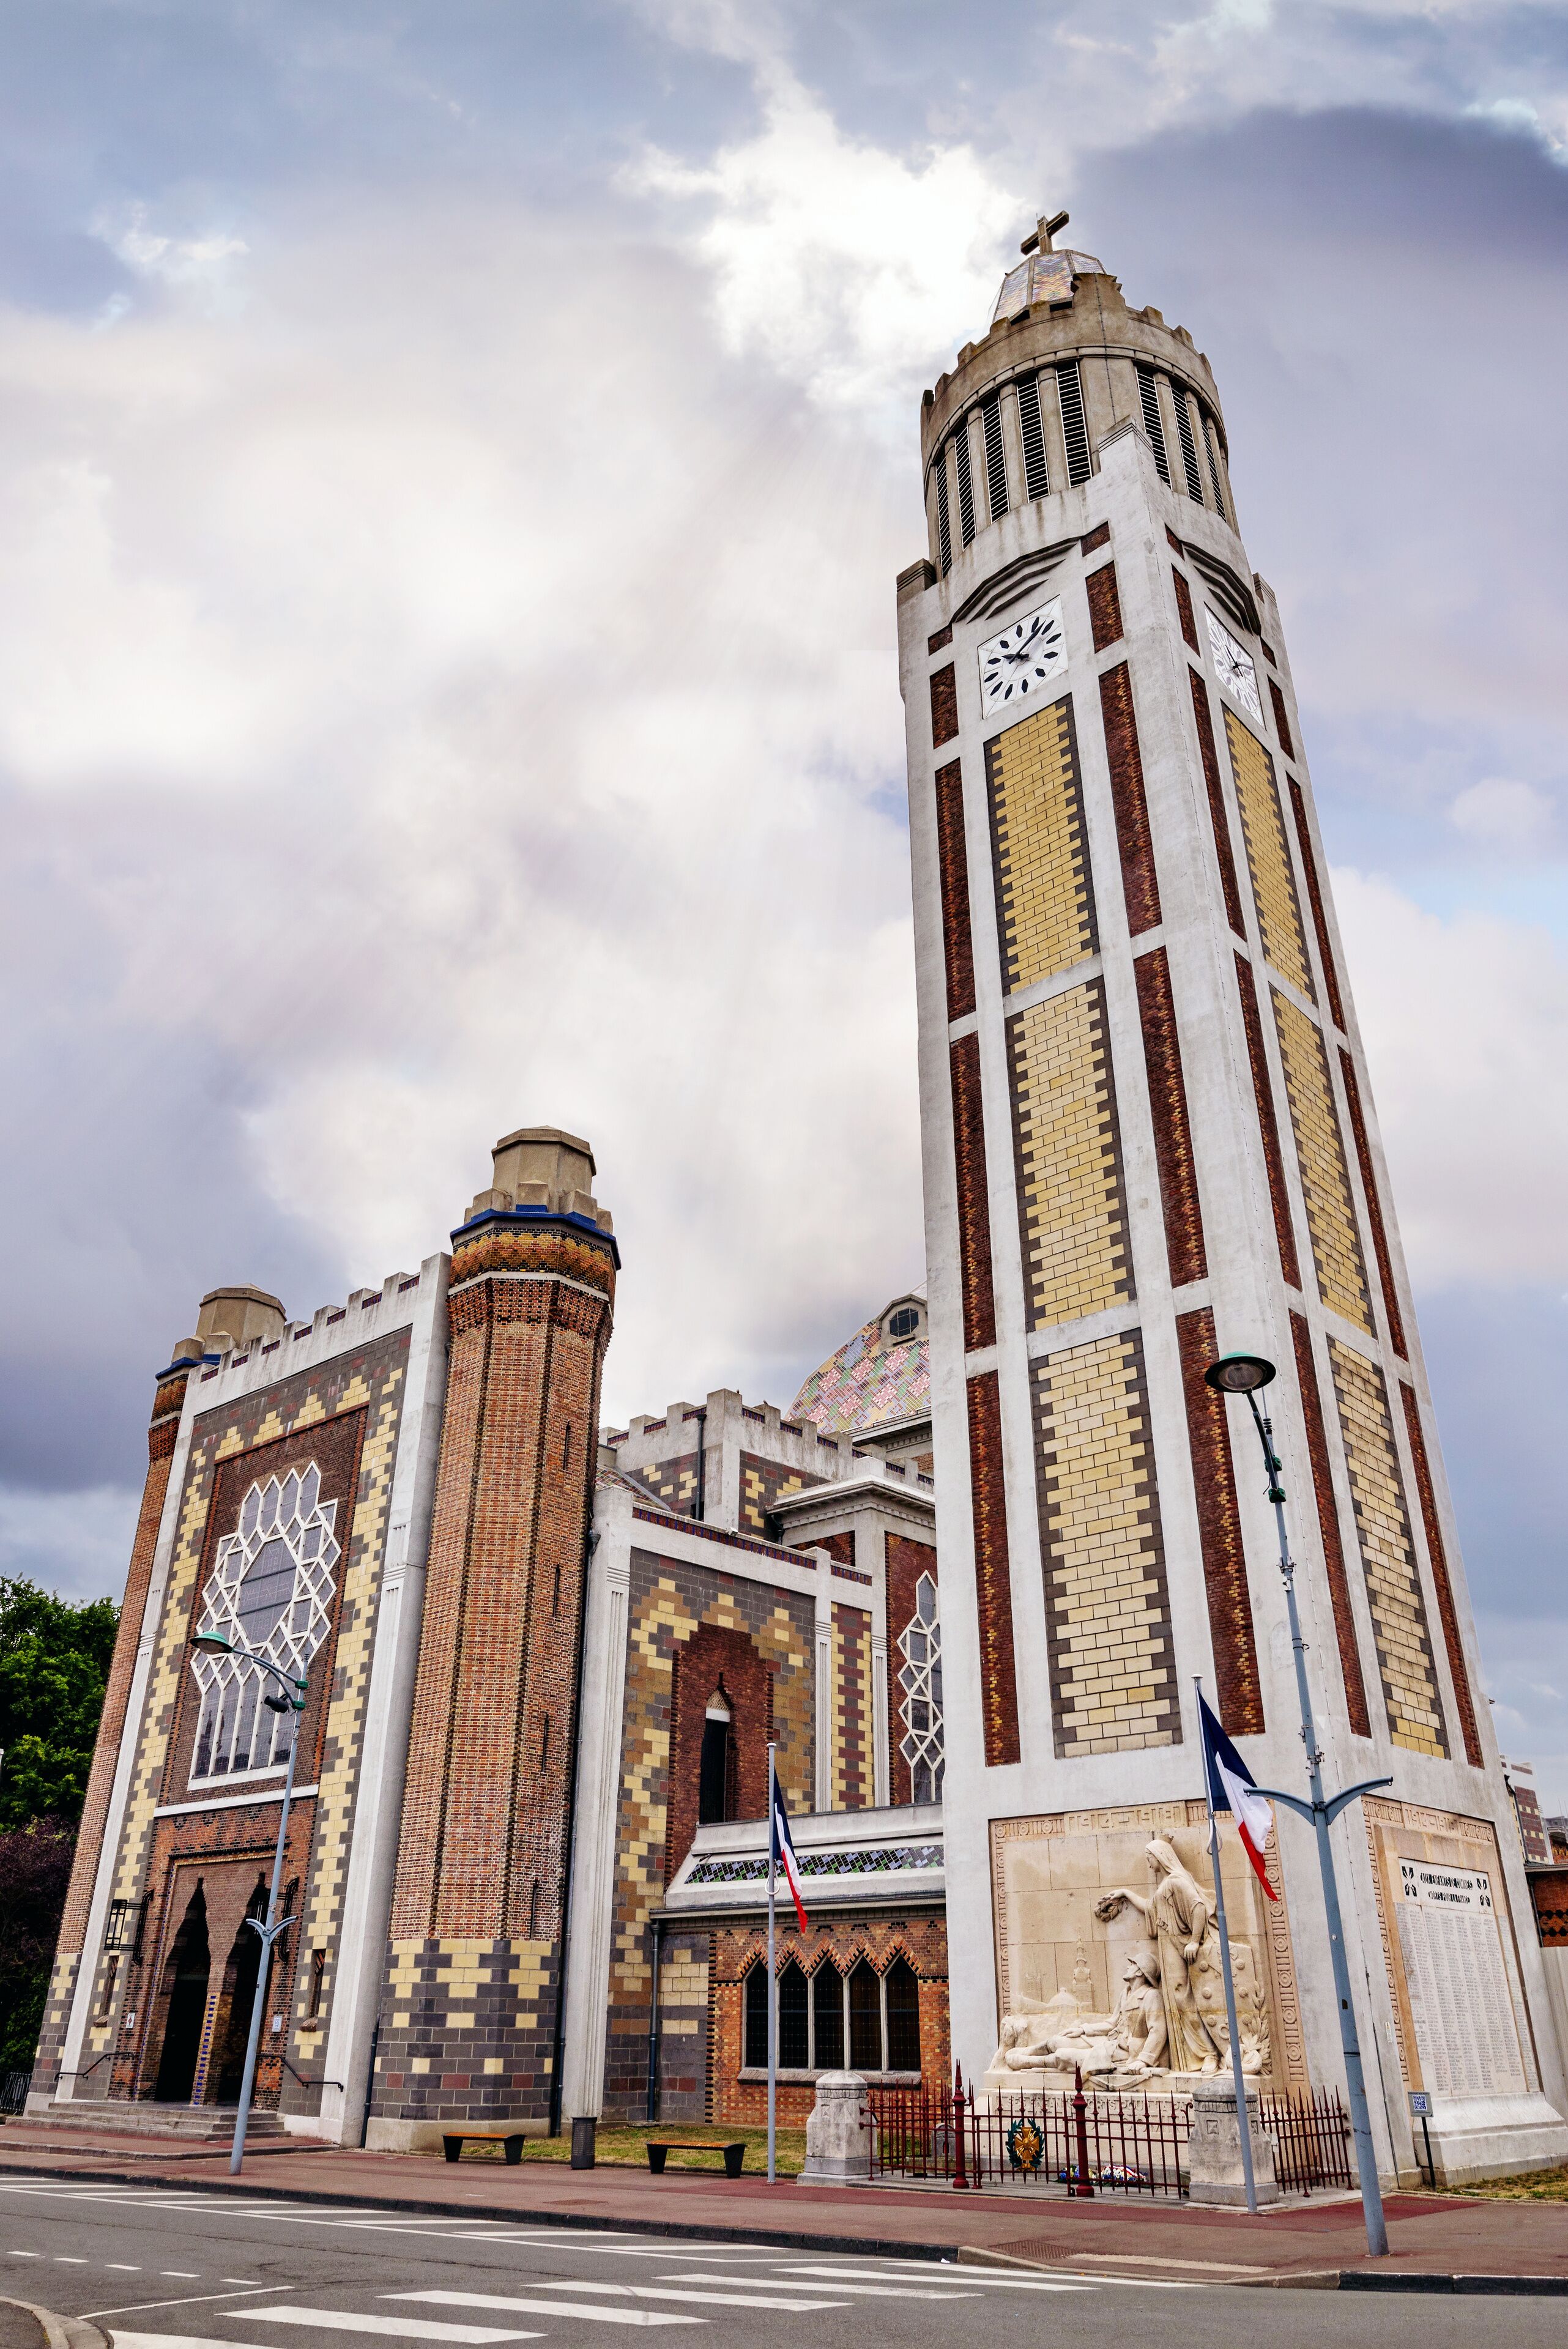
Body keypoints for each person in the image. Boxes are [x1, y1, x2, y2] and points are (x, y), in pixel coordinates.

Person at [1095, 1838, 1222, 2076]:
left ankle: (1209, 2054)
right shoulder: (1165, 1886)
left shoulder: (1175, 1882)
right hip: (1168, 1948)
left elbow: (1198, 1908)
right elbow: (1150, 1907)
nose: (1148, 1862)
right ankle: (1192, 2057)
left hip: (1178, 1947)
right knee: (1176, 2002)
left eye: (1149, 1857)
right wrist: (1124, 1893)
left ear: (1160, 1856)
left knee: (1184, 2000)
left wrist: (1195, 1940)